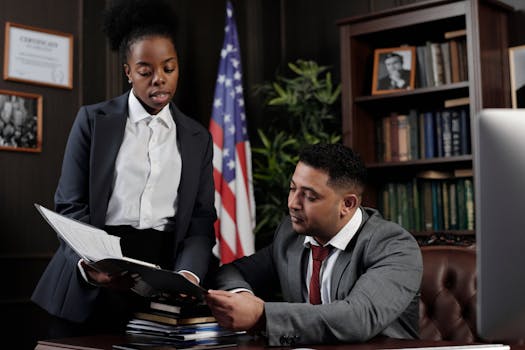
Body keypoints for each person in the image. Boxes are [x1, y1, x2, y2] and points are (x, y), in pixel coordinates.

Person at [32, 0, 216, 338]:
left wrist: (188, 275)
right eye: (146, 71)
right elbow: (70, 204)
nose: (159, 80)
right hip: (91, 272)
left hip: (162, 282)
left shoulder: (197, 138)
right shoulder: (92, 121)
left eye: (169, 68)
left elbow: (201, 221)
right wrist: (93, 263)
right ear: (128, 71)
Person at [206, 143, 422, 346]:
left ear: (347, 204)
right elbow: (232, 271)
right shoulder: (290, 236)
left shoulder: (394, 246)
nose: (292, 204)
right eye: (292, 189)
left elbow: (358, 318)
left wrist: (261, 316)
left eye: (309, 196)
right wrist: (241, 294)